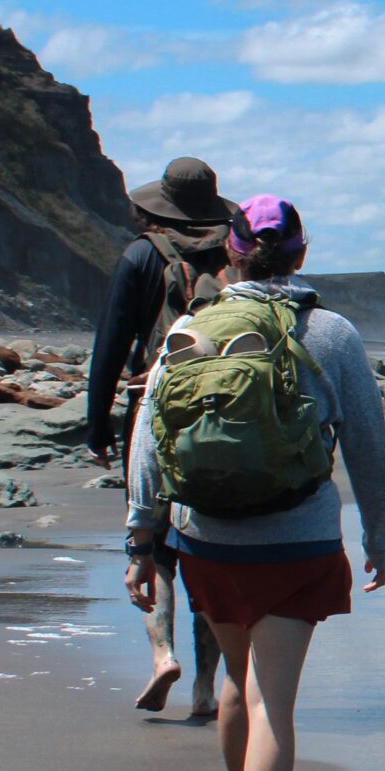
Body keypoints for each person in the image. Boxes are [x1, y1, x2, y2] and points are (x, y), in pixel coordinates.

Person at [125, 196, 385, 771]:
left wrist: (141, 539)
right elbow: (367, 441)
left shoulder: (190, 326)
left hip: (207, 539)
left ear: (232, 253)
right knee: (274, 703)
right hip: (297, 541)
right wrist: (380, 536)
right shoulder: (331, 333)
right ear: (302, 255)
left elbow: (150, 441)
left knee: (235, 689)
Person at [89, 156, 234, 718]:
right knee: (206, 548)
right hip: (220, 412)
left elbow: (111, 344)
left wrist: (96, 424)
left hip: (152, 409)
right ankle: (205, 687)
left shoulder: (141, 256)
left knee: (153, 542)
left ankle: (161, 656)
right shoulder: (233, 258)